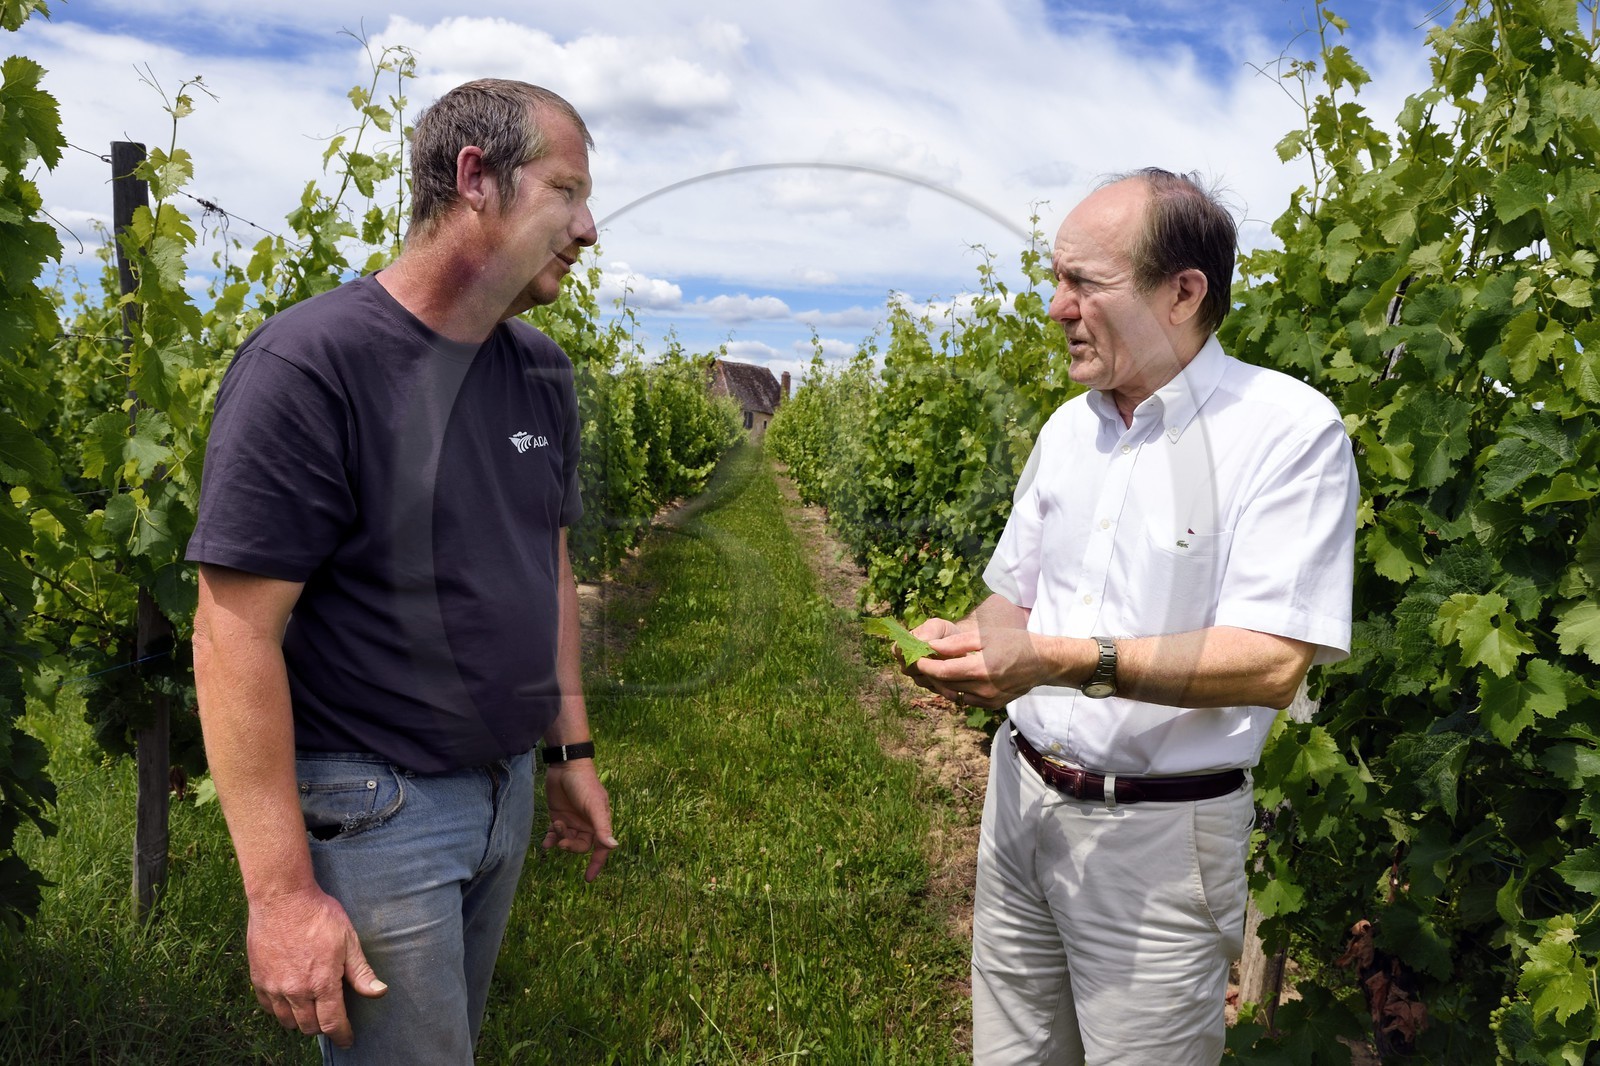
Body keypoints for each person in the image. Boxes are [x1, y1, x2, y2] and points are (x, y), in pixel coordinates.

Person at [188, 79, 618, 1064]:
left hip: (504, 790)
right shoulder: (313, 365)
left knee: (448, 1042)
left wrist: (568, 756)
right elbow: (232, 631)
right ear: (477, 178)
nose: (588, 227)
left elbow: (544, 570)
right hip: (376, 806)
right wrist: (282, 895)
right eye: (566, 191)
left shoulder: (540, 371)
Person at [907, 169, 1357, 1064]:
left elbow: (1270, 662)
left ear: (1183, 292)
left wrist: (1055, 660)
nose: (1055, 306)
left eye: (1084, 283)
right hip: (1019, 803)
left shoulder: (1286, 431)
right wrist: (967, 639)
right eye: (1056, 279)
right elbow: (1018, 596)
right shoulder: (1067, 431)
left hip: (1155, 844)